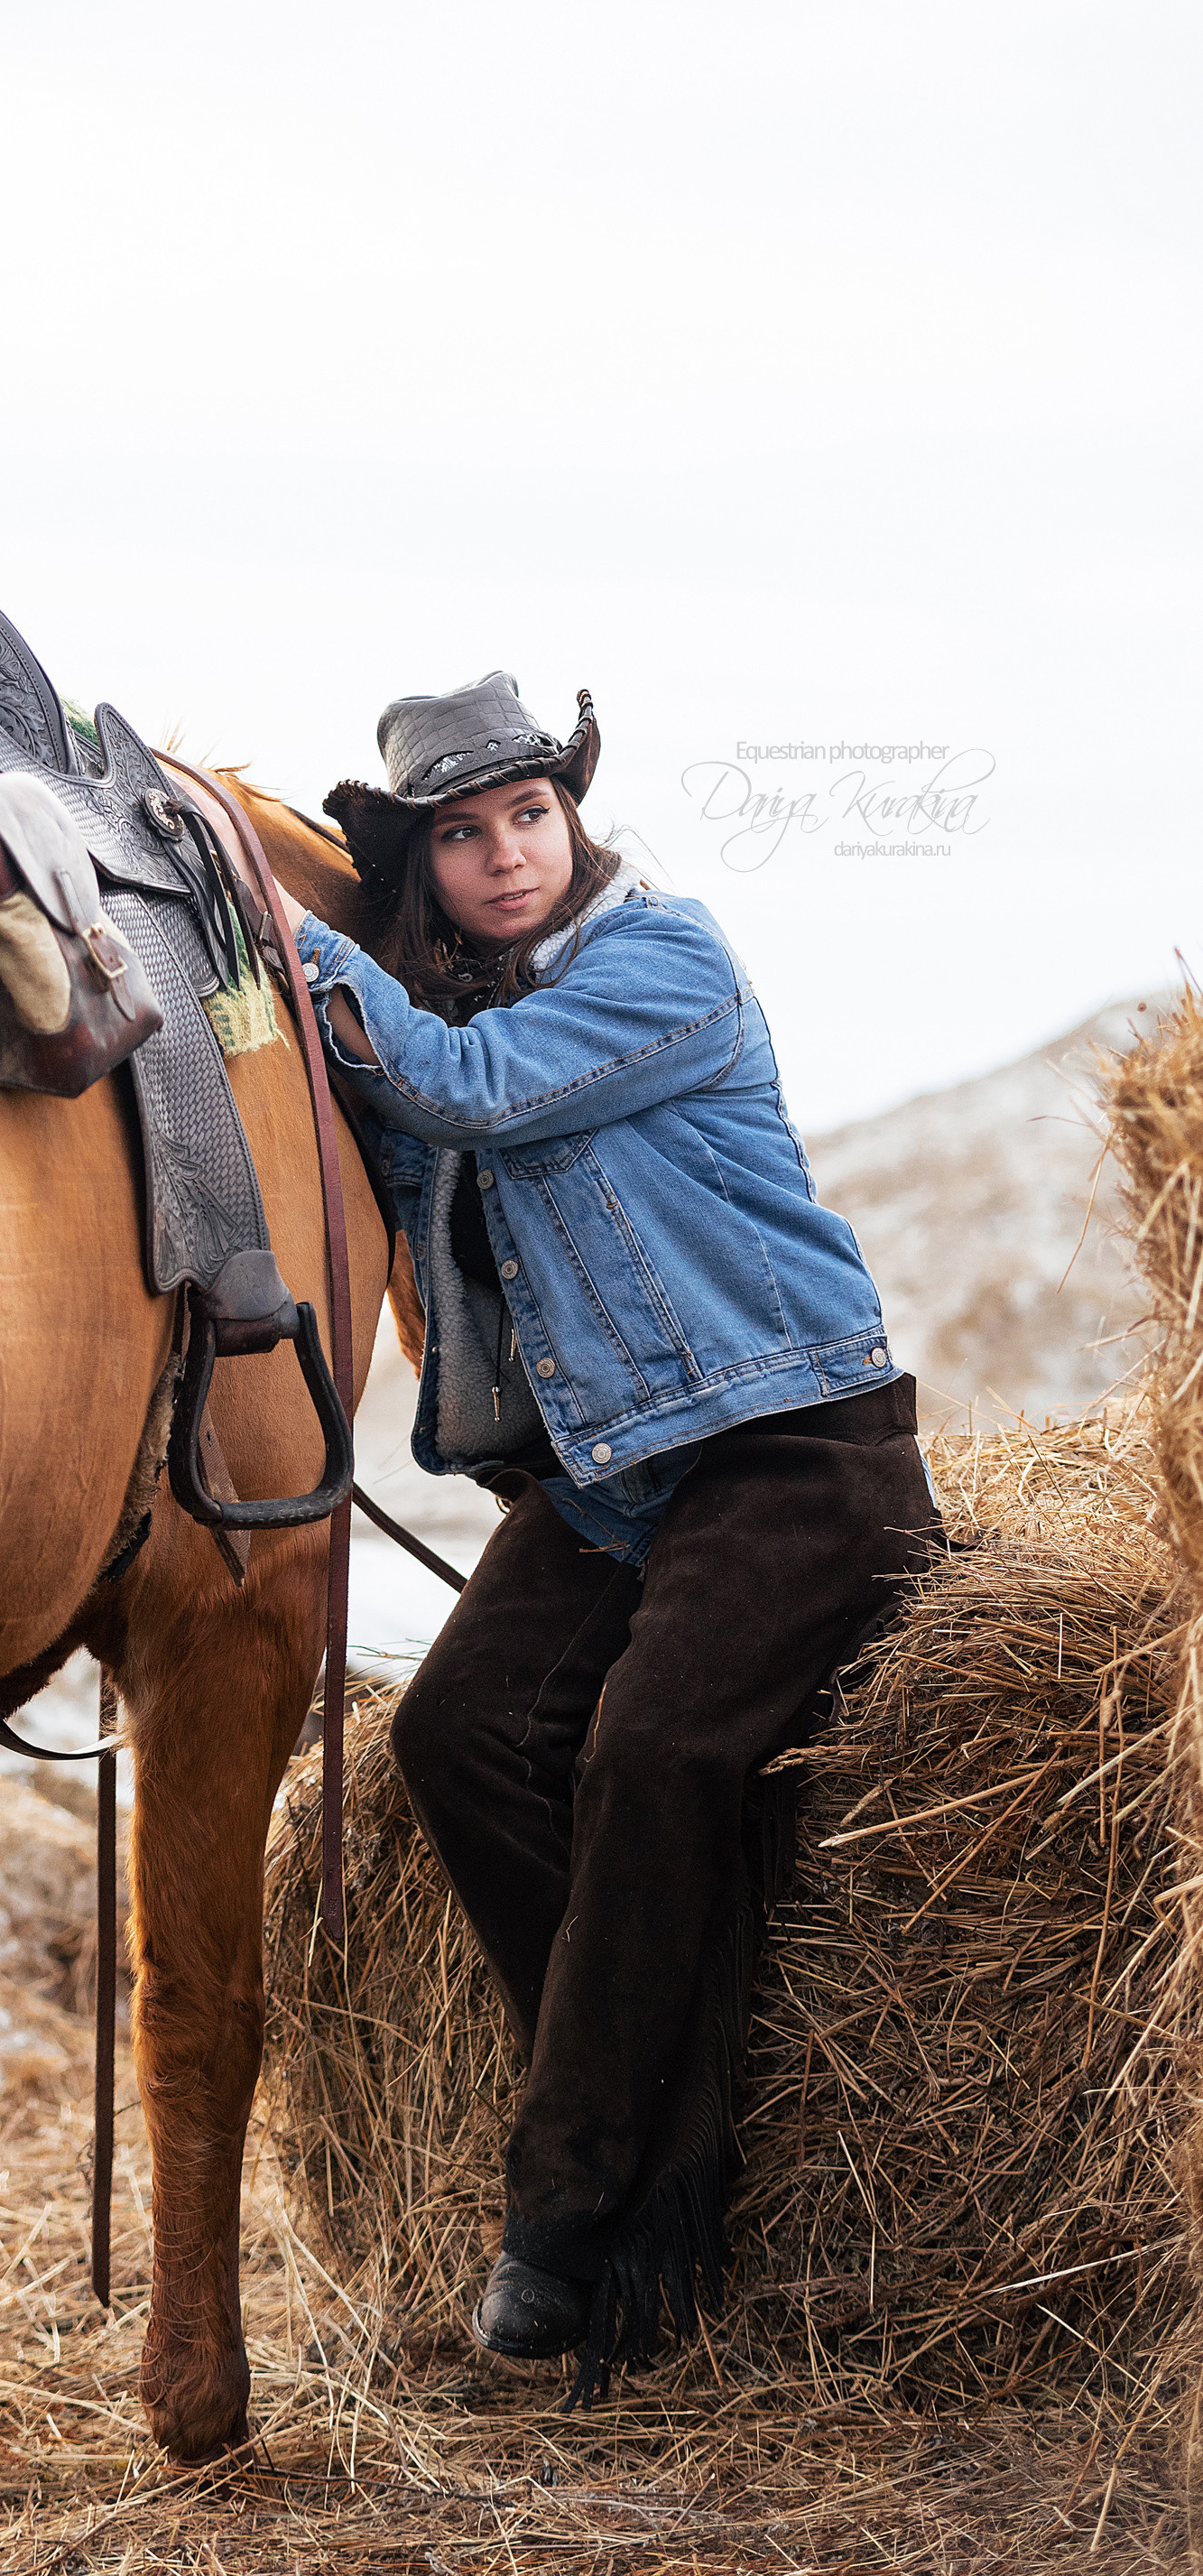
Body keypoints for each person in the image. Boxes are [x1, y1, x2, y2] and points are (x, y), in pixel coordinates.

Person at [279, 671, 940, 2397]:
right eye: (462, 833)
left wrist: (274, 911)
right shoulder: (439, 998)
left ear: (574, 816)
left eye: (529, 815)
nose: (507, 855)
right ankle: (685, 2129)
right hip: (616, 1479)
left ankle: (570, 2205)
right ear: (425, 865)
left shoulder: (665, 960)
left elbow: (469, 1092)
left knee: (649, 1755)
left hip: (792, 1439)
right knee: (459, 1736)